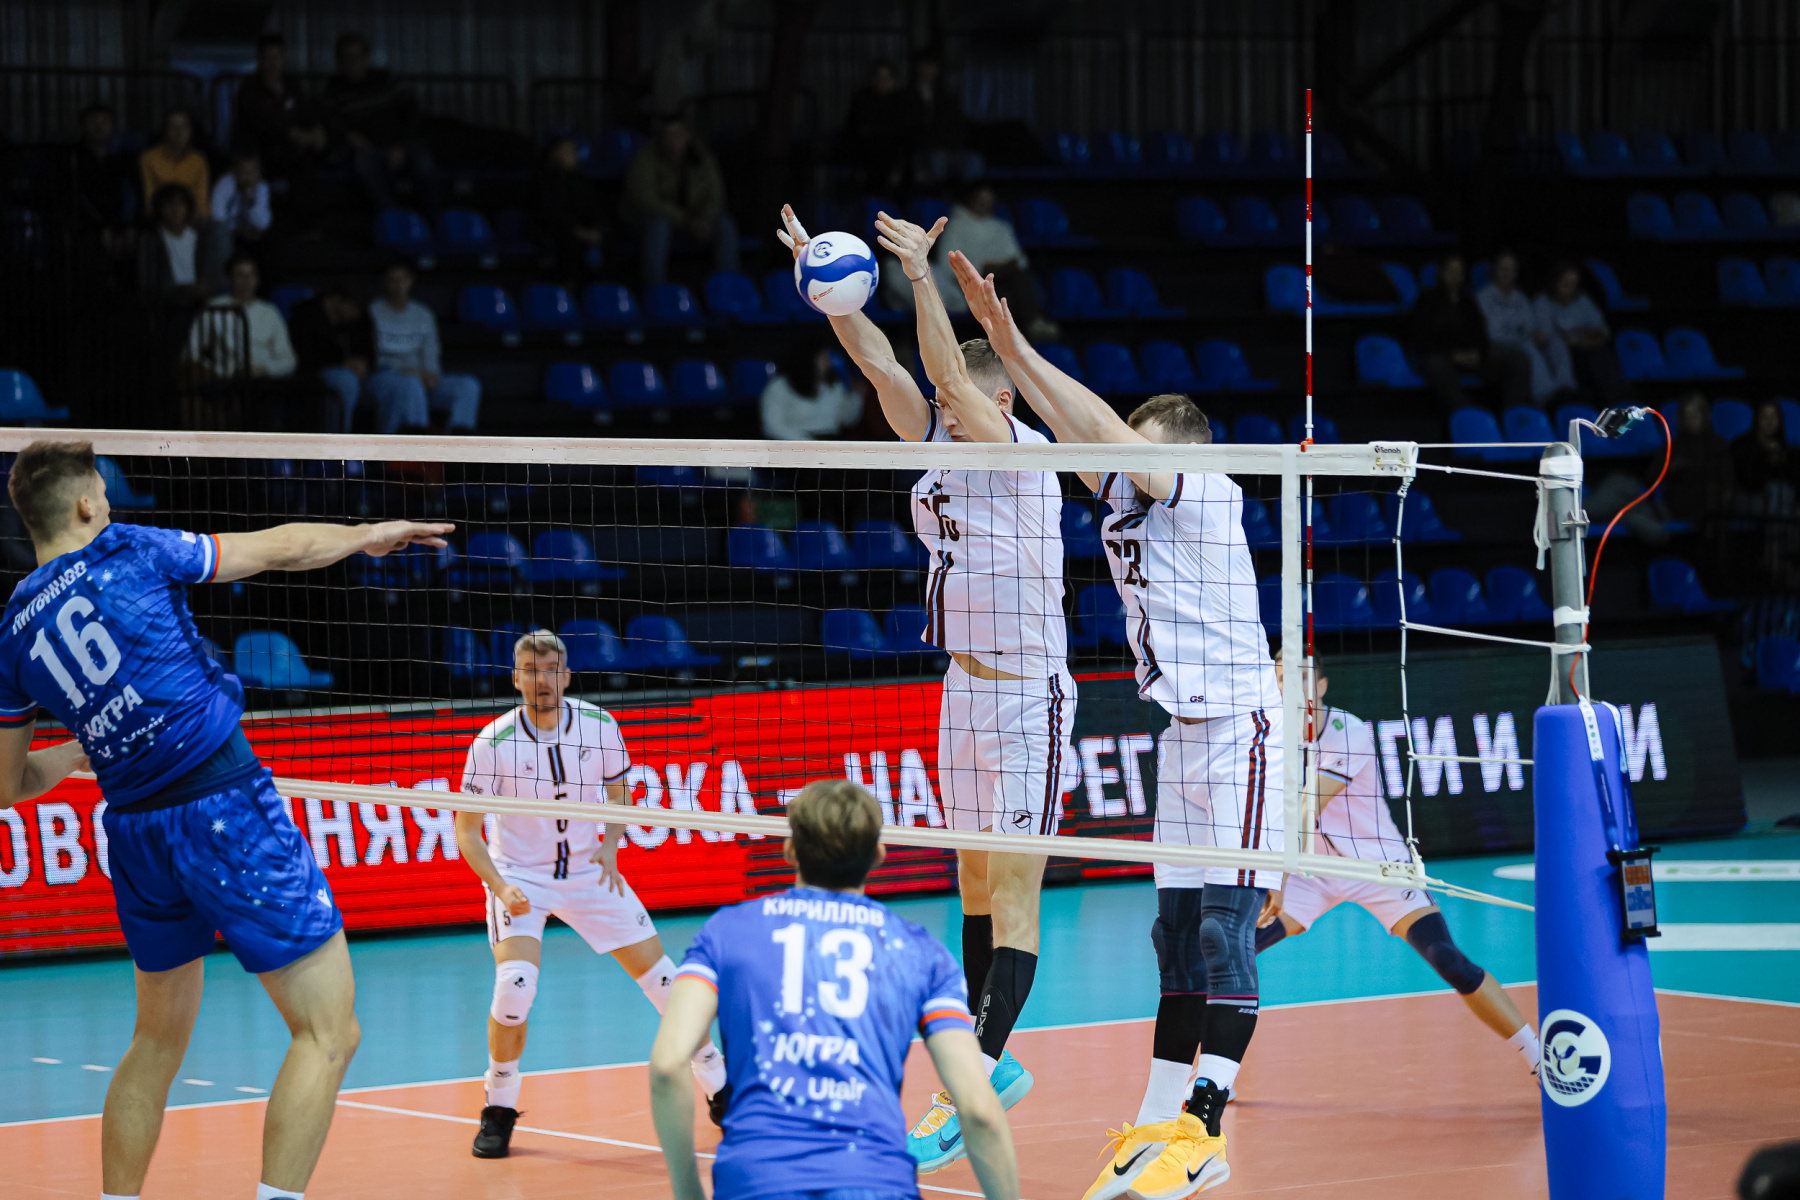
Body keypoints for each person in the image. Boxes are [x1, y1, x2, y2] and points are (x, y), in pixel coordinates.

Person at [0, 439, 450, 1200]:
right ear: (83, 504)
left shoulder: (12, 632)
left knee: (154, 1042)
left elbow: (7, 786)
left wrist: (82, 747)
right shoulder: (129, 549)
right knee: (328, 1031)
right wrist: (367, 536)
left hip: (135, 830)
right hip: (222, 805)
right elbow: (281, 549)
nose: (108, 499)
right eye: (101, 489)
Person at [948, 249, 1280, 1199]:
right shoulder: (1131, 496)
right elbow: (1076, 431)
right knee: (1174, 936)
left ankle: (1205, 1132)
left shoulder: (1208, 489)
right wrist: (1011, 358)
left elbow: (1098, 431)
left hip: (1241, 729)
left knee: (1224, 932)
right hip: (1182, 734)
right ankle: (1156, 1120)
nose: (1120, 464)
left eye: (1138, 449)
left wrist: (1015, 344)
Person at [782, 205, 1072, 1174]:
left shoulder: (1019, 451)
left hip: (1029, 693)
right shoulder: (942, 441)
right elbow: (883, 366)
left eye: (955, 400)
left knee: (1017, 894)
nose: (939, 409)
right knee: (974, 883)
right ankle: (993, 1060)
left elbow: (944, 378)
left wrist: (919, 276)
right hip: (963, 689)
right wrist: (829, 291)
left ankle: (970, 1086)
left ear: (998, 402)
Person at [649, 779, 1021, 1200]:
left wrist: (687, 1191)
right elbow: (978, 1108)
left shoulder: (726, 933)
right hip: (874, 1184)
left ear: (790, 850)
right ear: (879, 854)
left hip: (756, 1183)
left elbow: (667, 1064)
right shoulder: (920, 953)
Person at [456, 629, 728, 1159]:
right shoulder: (492, 743)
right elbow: (467, 831)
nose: (542, 680)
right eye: (531, 671)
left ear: (567, 675)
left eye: (551, 670)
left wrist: (610, 845)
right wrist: (500, 886)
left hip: (589, 873)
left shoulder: (599, 725)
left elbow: (619, 792)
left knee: (667, 983)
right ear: (515, 678)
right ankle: (498, 1107)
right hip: (522, 877)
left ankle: (721, 1091)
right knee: (514, 987)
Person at [1257, 649, 1542, 1076]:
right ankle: (1216, 1075)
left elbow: (1304, 810)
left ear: (1321, 686)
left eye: (1302, 678)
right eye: (1283, 678)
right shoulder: (1262, 740)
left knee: (1446, 958)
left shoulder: (1346, 732)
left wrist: (1274, 878)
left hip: (1377, 868)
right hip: (1310, 873)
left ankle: (1540, 1059)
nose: (1292, 688)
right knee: (1234, 952)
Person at [186, 254, 325, 431]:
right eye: (240, 275)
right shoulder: (215, 308)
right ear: (230, 279)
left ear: (257, 279)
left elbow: (289, 359)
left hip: (266, 383)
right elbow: (191, 353)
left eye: (250, 275)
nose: (245, 281)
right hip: (228, 383)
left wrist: (264, 369)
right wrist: (219, 372)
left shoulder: (269, 312)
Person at [323, 31, 440, 212]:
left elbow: (412, 112)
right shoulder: (335, 88)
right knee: (364, 166)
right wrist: (348, 135)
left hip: (402, 141)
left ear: (367, 57)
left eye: (358, 56)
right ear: (340, 61)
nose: (353, 62)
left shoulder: (386, 80)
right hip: (369, 148)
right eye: (347, 57)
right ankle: (392, 216)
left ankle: (434, 216)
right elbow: (329, 119)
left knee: (425, 165)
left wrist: (400, 145)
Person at [622, 115, 739, 291]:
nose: (674, 140)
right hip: (653, 218)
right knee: (659, 224)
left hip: (695, 218)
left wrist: (706, 218)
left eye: (679, 134)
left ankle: (729, 289)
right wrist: (686, 220)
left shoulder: (701, 157)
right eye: (668, 135)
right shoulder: (646, 158)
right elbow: (646, 199)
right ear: (660, 138)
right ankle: (656, 289)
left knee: (725, 224)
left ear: (687, 136)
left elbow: (715, 194)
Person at [928, 185, 1056, 342]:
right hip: (974, 282)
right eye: (981, 200)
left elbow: (1019, 259)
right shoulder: (956, 226)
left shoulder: (1001, 227)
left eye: (989, 201)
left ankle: (1032, 324)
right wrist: (981, 268)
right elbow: (947, 263)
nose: (985, 205)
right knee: (999, 294)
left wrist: (1004, 267)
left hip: (1007, 277)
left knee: (1019, 280)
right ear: (971, 200)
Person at [368, 261, 481, 433]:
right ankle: (417, 444)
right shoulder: (373, 311)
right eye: (393, 280)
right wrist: (408, 372)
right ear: (385, 282)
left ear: (410, 281)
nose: (398, 285)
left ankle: (459, 443)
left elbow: (431, 349)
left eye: (402, 279)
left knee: (468, 385)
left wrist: (430, 372)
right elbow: (371, 355)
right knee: (411, 384)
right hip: (387, 377)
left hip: (422, 377)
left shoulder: (423, 313)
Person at [1412, 253, 1530, 411]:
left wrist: (1478, 353)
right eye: (1451, 271)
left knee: (1518, 359)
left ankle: (1513, 415)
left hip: (1471, 358)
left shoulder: (1468, 303)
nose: (1455, 276)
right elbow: (1422, 339)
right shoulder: (1427, 300)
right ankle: (1467, 413)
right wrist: (1453, 355)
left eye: (1459, 272)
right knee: (1435, 364)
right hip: (1442, 357)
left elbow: (1481, 335)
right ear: (1441, 273)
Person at [1477, 250, 1570, 405]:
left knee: (1555, 341)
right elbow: (1492, 334)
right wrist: (1522, 336)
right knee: (1527, 348)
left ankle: (1566, 388)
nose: (1506, 273)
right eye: (1503, 269)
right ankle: (1546, 395)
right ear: (1495, 271)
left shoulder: (1521, 298)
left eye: (1511, 269)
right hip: (1496, 349)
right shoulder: (1483, 297)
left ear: (1516, 273)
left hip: (1522, 341)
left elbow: (1531, 326)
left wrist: (1538, 335)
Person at [1535, 262, 1628, 406]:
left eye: (1573, 284)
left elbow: (1602, 331)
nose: (1569, 288)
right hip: (1558, 357)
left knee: (1603, 353)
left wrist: (1585, 341)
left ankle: (1617, 400)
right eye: (1565, 283)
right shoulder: (1542, 303)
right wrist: (1577, 336)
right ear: (1555, 282)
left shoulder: (1583, 300)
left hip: (1587, 348)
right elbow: (1548, 337)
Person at [289, 282, 376, 434]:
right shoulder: (305, 315)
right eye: (353, 307)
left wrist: (363, 363)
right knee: (346, 380)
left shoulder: (359, 318)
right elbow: (303, 358)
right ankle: (340, 443)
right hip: (319, 374)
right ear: (337, 301)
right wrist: (343, 364)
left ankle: (395, 445)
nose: (356, 313)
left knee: (398, 384)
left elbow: (370, 354)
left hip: (361, 377)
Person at [1730, 400, 1799, 585]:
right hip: (1748, 500)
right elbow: (1748, 483)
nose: (1769, 421)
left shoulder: (1787, 450)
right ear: (1756, 419)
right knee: (1776, 491)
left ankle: (1781, 557)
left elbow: (1794, 484)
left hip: (1780, 506)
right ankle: (1775, 555)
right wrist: (1765, 458)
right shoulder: (1742, 445)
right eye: (1764, 416)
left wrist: (1781, 460)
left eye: (1774, 417)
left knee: (1790, 503)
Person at [68, 103, 138, 270]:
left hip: (123, 226)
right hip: (88, 230)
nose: (99, 127)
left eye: (104, 122)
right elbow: (79, 198)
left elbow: (132, 194)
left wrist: (127, 224)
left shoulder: (124, 157)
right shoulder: (73, 159)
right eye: (94, 122)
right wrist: (103, 227)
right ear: (83, 126)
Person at [759, 339, 863, 440]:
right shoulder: (779, 387)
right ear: (807, 359)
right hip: (796, 444)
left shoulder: (834, 385)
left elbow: (846, 419)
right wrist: (807, 443)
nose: (828, 362)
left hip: (830, 443)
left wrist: (856, 396)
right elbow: (773, 426)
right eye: (823, 357)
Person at [842, 59, 918, 192]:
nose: (882, 81)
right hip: (867, 155)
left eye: (887, 77)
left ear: (894, 80)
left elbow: (906, 133)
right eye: (878, 77)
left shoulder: (902, 102)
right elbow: (854, 130)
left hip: (895, 156)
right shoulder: (862, 100)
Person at [534, 136, 605, 277]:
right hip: (558, 232)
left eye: (573, 151)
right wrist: (578, 231)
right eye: (567, 151)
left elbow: (592, 208)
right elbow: (550, 213)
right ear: (554, 154)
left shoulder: (579, 180)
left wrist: (596, 228)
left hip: (583, 231)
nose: (573, 155)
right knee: (570, 245)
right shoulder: (545, 182)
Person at [137, 184, 220, 303]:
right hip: (164, 304)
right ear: (159, 208)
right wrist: (183, 289)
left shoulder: (201, 238)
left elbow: (210, 277)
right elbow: (148, 281)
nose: (175, 209)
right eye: (169, 204)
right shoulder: (151, 240)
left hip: (198, 301)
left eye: (181, 203)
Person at [909, 51, 981, 184]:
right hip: (922, 151)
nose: (928, 70)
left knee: (973, 160)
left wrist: (949, 145)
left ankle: (965, 194)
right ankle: (939, 193)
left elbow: (957, 125)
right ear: (918, 67)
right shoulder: (908, 95)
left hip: (948, 149)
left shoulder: (945, 97)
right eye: (925, 65)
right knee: (936, 160)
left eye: (932, 66)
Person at [139, 109, 212, 224]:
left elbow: (202, 201)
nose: (179, 132)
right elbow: (149, 200)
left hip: (191, 222)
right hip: (160, 221)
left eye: (184, 126)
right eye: (173, 126)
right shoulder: (149, 158)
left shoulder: (198, 160)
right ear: (165, 130)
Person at [211, 151, 273, 251]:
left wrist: (251, 199)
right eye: (244, 172)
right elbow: (218, 218)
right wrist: (238, 231)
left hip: (250, 235)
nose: (248, 177)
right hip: (228, 234)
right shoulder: (225, 184)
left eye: (252, 172)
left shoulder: (261, 187)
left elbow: (263, 223)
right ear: (235, 170)